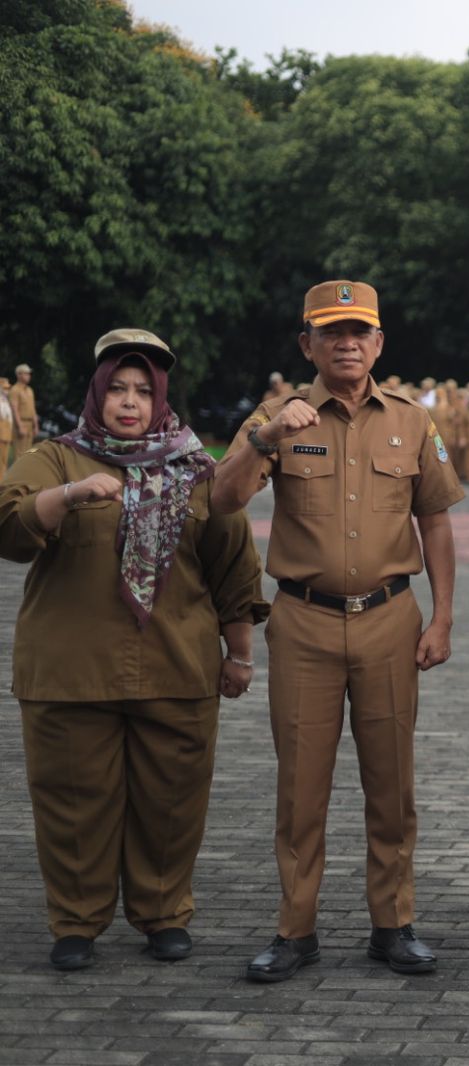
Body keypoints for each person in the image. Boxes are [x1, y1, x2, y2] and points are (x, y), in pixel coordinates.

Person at [210, 280, 464, 983]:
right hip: (303, 622)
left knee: (393, 785)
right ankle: (295, 930)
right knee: (300, 787)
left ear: (379, 342)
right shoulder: (275, 416)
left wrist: (442, 616)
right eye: (331, 332)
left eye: (359, 331)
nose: (346, 342)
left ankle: (394, 924)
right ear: (307, 345)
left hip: (389, 619)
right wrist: (266, 437)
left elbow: (436, 519)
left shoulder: (411, 421)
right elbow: (223, 500)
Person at [0, 329, 266, 971]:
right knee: (71, 803)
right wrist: (68, 497)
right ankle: (76, 921)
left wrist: (240, 655)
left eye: (143, 391)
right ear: (96, 392)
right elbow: (6, 528)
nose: (129, 402)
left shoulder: (198, 468)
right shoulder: (55, 458)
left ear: (161, 398)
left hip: (177, 667)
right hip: (72, 673)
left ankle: (162, 913)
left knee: (170, 804)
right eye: (117, 388)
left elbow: (233, 567)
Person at [11, 362, 37, 454]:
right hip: (21, 423)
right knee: (20, 453)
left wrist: (36, 425)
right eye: (26, 373)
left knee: (28, 453)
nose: (29, 376)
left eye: (29, 373)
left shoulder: (30, 390)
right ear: (19, 375)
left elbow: (33, 409)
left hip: (30, 424)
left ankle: (27, 469)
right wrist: (20, 426)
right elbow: (15, 410)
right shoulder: (15, 390)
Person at [0, 375, 14, 467]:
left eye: (8, 388)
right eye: (4, 388)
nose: (7, 391)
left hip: (7, 434)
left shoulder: (6, 401)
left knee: (4, 460)